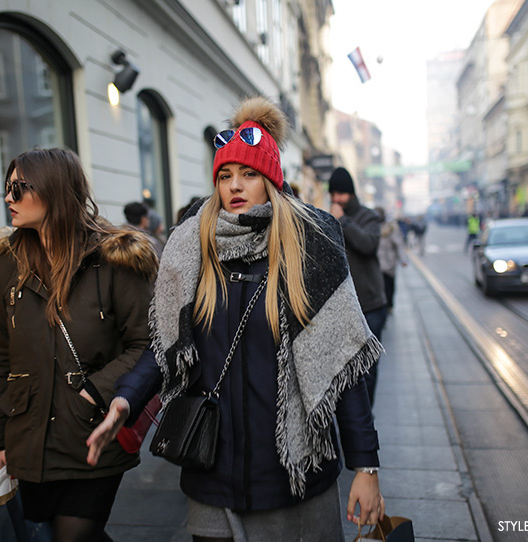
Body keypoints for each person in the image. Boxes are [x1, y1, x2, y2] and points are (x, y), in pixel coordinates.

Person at [87, 97, 384, 541]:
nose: (235, 186)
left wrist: (366, 465)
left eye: (248, 173)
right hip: (212, 477)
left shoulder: (310, 248)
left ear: (270, 179)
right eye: (225, 175)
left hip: (292, 479)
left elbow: (342, 365)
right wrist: (125, 401)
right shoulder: (192, 249)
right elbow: (166, 345)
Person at [0, 148, 158, 542]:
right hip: (28, 438)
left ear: (54, 190)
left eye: (19, 187)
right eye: (7, 187)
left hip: (91, 434)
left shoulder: (113, 257)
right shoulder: (9, 262)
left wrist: (94, 393)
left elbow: (148, 343)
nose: (8, 197)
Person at [327, 166, 387, 407]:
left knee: (369, 368)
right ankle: (353, 416)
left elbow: (368, 244)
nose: (336, 199)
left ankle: (366, 415)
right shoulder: (330, 215)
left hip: (370, 305)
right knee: (346, 368)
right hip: (344, 307)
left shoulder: (368, 216)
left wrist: (343, 221)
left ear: (351, 193)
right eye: (334, 194)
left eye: (341, 193)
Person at [375, 208, 408, 312]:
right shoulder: (372, 227)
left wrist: (403, 259)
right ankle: (382, 305)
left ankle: (389, 305)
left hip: (389, 263)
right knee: (380, 286)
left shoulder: (392, 228)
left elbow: (399, 245)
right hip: (377, 264)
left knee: (389, 285)